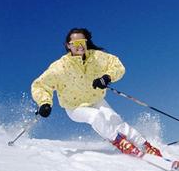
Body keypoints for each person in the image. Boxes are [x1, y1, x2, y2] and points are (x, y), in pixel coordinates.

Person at [31, 28, 162, 157]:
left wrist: (107, 77)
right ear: (68, 45)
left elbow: (117, 65)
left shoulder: (96, 57)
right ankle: (120, 142)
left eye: (83, 42)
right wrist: (44, 103)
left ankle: (144, 145)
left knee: (114, 119)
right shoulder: (59, 67)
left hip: (96, 100)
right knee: (95, 116)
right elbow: (40, 85)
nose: (80, 46)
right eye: (76, 43)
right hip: (75, 107)